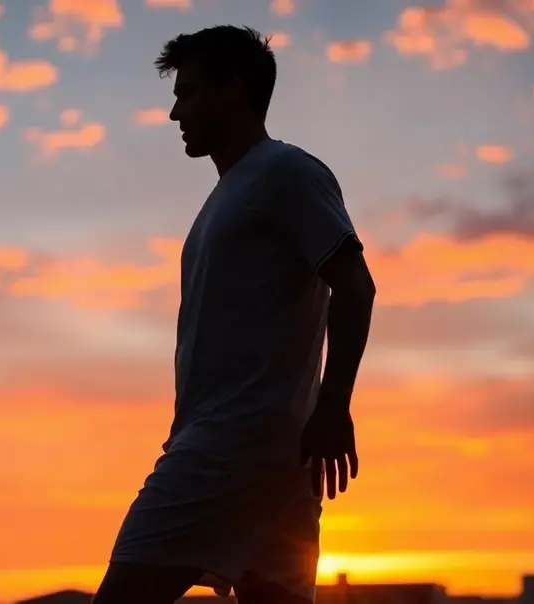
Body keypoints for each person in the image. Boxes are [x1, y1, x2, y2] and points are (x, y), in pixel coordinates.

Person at [91, 25, 377, 604]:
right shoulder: (228, 196)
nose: (176, 112)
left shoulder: (285, 172)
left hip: (230, 448)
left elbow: (356, 286)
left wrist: (334, 405)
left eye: (189, 93)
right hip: (268, 457)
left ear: (236, 89)